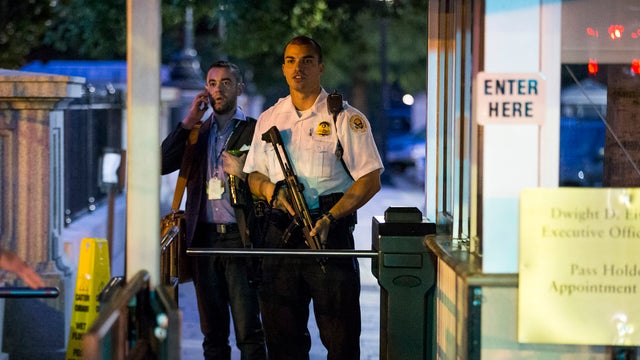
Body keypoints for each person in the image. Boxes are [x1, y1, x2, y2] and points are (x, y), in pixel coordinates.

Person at [243, 35, 384, 359]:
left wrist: (331, 217)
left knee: (341, 339)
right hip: (279, 237)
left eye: (306, 60)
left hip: (328, 237)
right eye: (291, 60)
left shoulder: (344, 117)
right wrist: (272, 191)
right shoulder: (270, 117)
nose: (298, 68)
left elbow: (370, 179)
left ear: (320, 66)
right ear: (283, 67)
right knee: (281, 340)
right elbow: (252, 174)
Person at [161, 60, 266, 360]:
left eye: (226, 82)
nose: (218, 89)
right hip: (203, 240)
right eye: (212, 83)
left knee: (249, 332)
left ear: (239, 89)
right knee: (213, 335)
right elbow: (161, 163)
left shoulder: (254, 130)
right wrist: (188, 120)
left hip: (240, 240)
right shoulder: (197, 132)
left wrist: (247, 174)